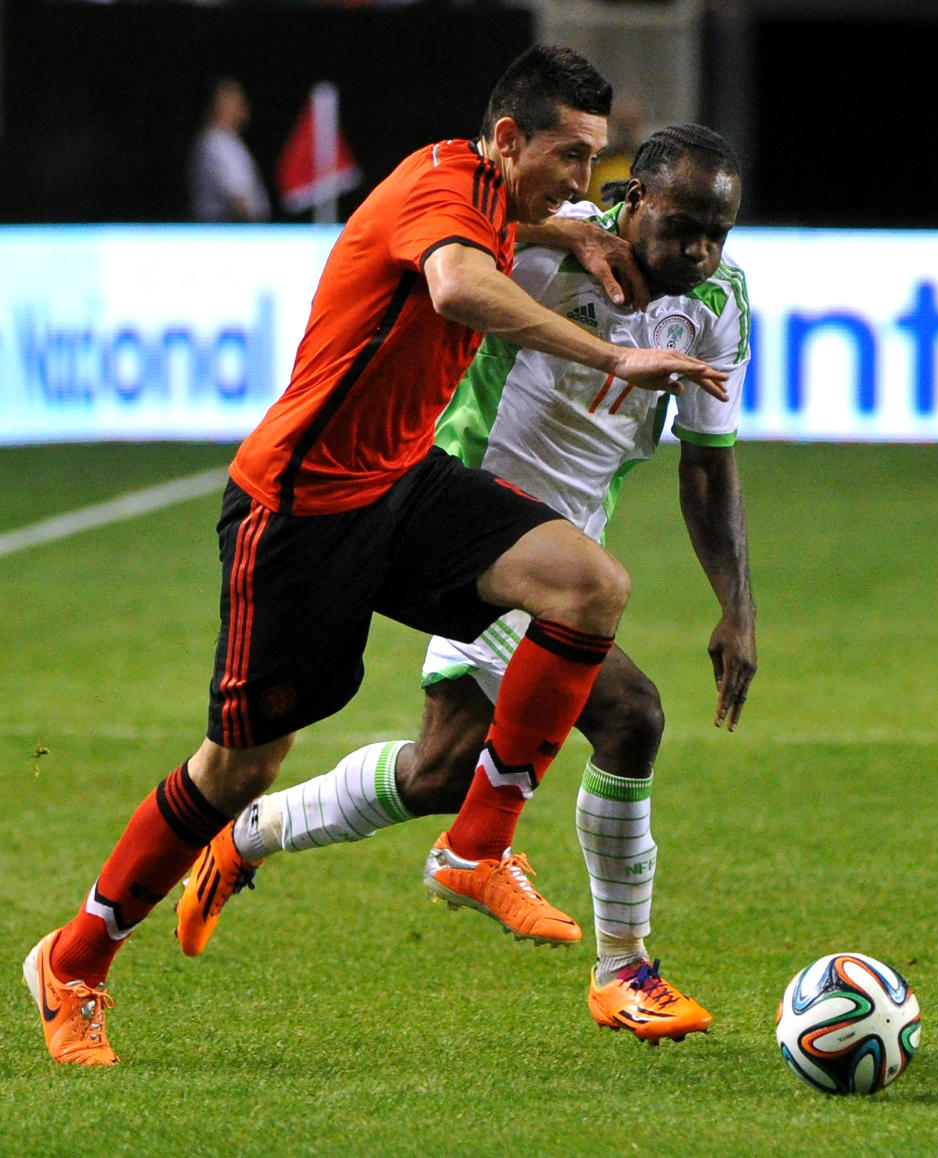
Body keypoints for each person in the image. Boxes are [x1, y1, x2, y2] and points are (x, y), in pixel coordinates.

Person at [23, 48, 728, 1066]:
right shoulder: (443, 184)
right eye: (570, 159)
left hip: (398, 485)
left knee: (589, 586)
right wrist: (612, 351)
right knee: (240, 766)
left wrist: (558, 231)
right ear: (507, 138)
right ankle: (75, 960)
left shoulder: (492, 197)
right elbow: (455, 288)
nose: (587, 183)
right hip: (298, 511)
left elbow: (500, 234)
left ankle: (477, 843)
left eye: (596, 161)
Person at [175, 124, 756, 1043]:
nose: (700, 250)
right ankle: (625, 970)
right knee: (630, 715)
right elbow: (439, 267)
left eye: (717, 232)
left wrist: (737, 606)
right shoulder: (543, 242)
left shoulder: (720, 299)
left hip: (560, 551)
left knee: (445, 769)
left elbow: (707, 464)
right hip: (470, 531)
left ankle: (244, 835)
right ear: (632, 197)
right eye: (683, 225)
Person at [187, 77, 271, 223]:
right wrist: (255, 230)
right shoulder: (217, 142)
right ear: (221, 106)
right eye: (236, 101)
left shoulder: (226, 139)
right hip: (229, 232)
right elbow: (237, 198)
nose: (243, 107)